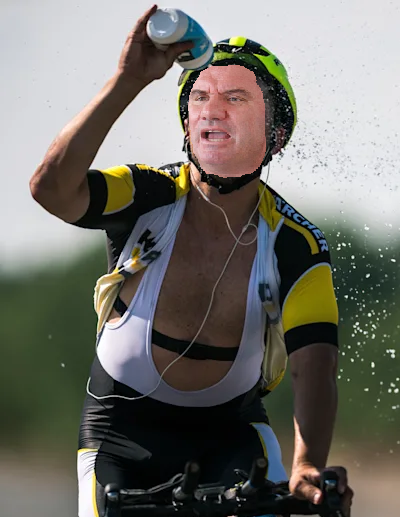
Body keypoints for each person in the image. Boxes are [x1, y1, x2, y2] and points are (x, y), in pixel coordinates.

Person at [30, 4, 353, 517]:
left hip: (233, 438)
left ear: (276, 136)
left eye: (236, 99)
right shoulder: (146, 193)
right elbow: (50, 188)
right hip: (120, 434)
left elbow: (315, 365)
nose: (213, 110)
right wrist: (130, 79)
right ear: (187, 126)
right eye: (200, 98)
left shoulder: (295, 242)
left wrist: (308, 465)